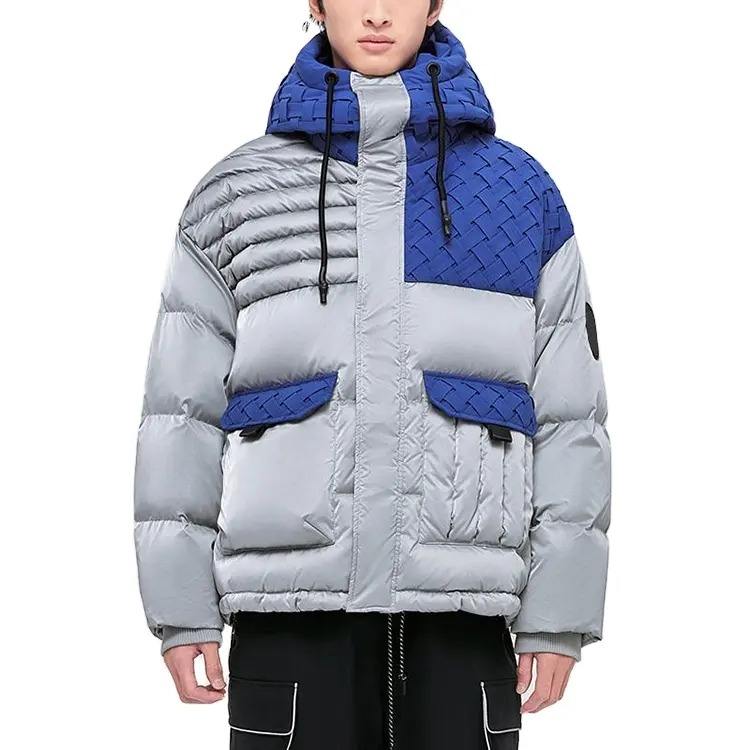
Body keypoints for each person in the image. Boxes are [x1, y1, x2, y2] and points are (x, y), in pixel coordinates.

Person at [133, 1, 611, 747]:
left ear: (435, 4)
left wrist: (558, 613)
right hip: (290, 620)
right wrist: (181, 608)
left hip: (462, 621)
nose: (379, 13)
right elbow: (179, 413)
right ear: (316, 4)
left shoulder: (520, 194)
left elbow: (569, 413)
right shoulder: (237, 193)